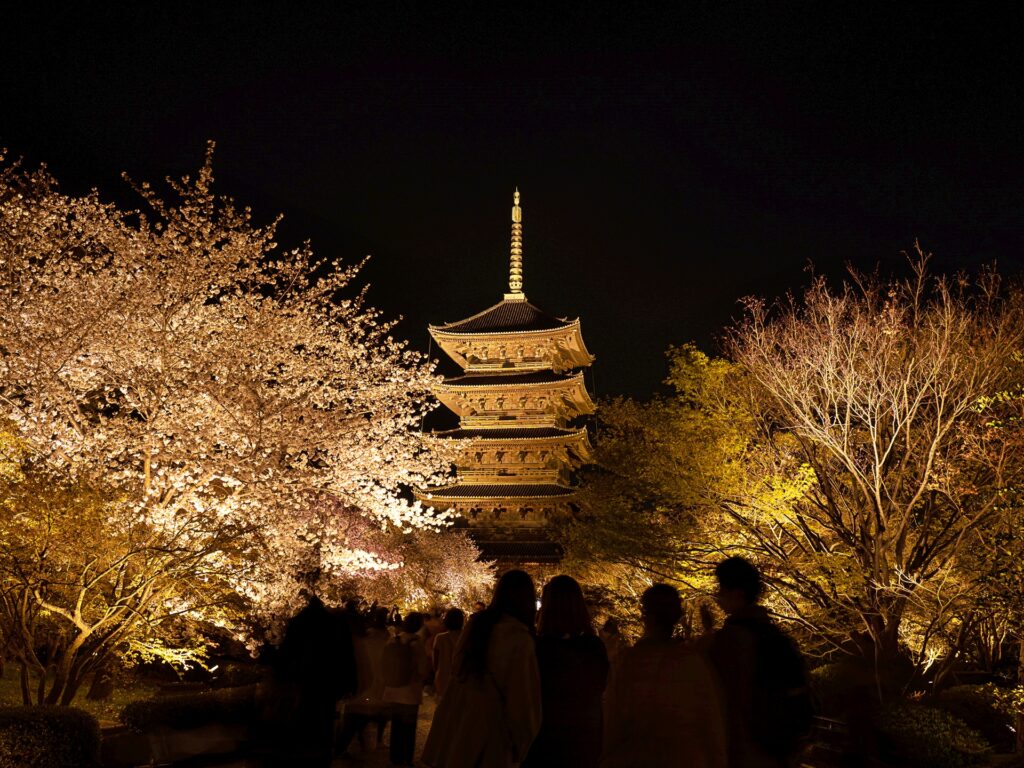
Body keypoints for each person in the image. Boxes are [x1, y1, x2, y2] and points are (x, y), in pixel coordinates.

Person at [422, 570, 542, 768]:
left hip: (460, 717)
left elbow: (457, 666)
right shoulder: (519, 638)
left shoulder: (477, 624)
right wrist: (522, 741)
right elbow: (522, 696)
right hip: (491, 728)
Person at [602, 584, 727, 768]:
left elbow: (614, 722)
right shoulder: (693, 663)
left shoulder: (630, 663)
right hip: (687, 757)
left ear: (645, 615)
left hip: (640, 757)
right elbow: (711, 723)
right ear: (677, 615)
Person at [706, 557, 813, 768]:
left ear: (737, 592)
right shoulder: (776, 636)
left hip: (746, 748)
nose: (717, 595)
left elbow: (726, 701)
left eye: (721, 588)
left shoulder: (731, 639)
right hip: (779, 748)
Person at [258, 596, 357, 767]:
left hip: (303, 679)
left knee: (303, 724)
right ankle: (321, 759)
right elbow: (346, 655)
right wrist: (350, 683)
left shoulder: (298, 622)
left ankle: (304, 756)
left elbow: (287, 654)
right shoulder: (335, 623)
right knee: (324, 726)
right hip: (327, 681)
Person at [523, 575, 609, 768]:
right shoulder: (593, 646)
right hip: (584, 738)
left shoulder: (538, 648)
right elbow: (602, 685)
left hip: (543, 739)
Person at [336, 606, 391, 755]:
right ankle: (351, 742)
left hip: (375, 676)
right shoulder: (370, 636)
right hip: (370, 676)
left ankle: (358, 741)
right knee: (361, 712)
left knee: (368, 711)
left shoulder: (380, 636)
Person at [381, 612, 430, 766]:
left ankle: (395, 758)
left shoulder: (393, 639)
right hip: (410, 693)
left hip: (393, 690)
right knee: (408, 729)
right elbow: (423, 669)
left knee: (396, 726)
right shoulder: (417, 644)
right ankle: (406, 759)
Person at [431, 608, 465, 699]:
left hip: (443, 677)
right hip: (461, 679)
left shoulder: (440, 638)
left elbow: (435, 661)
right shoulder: (466, 638)